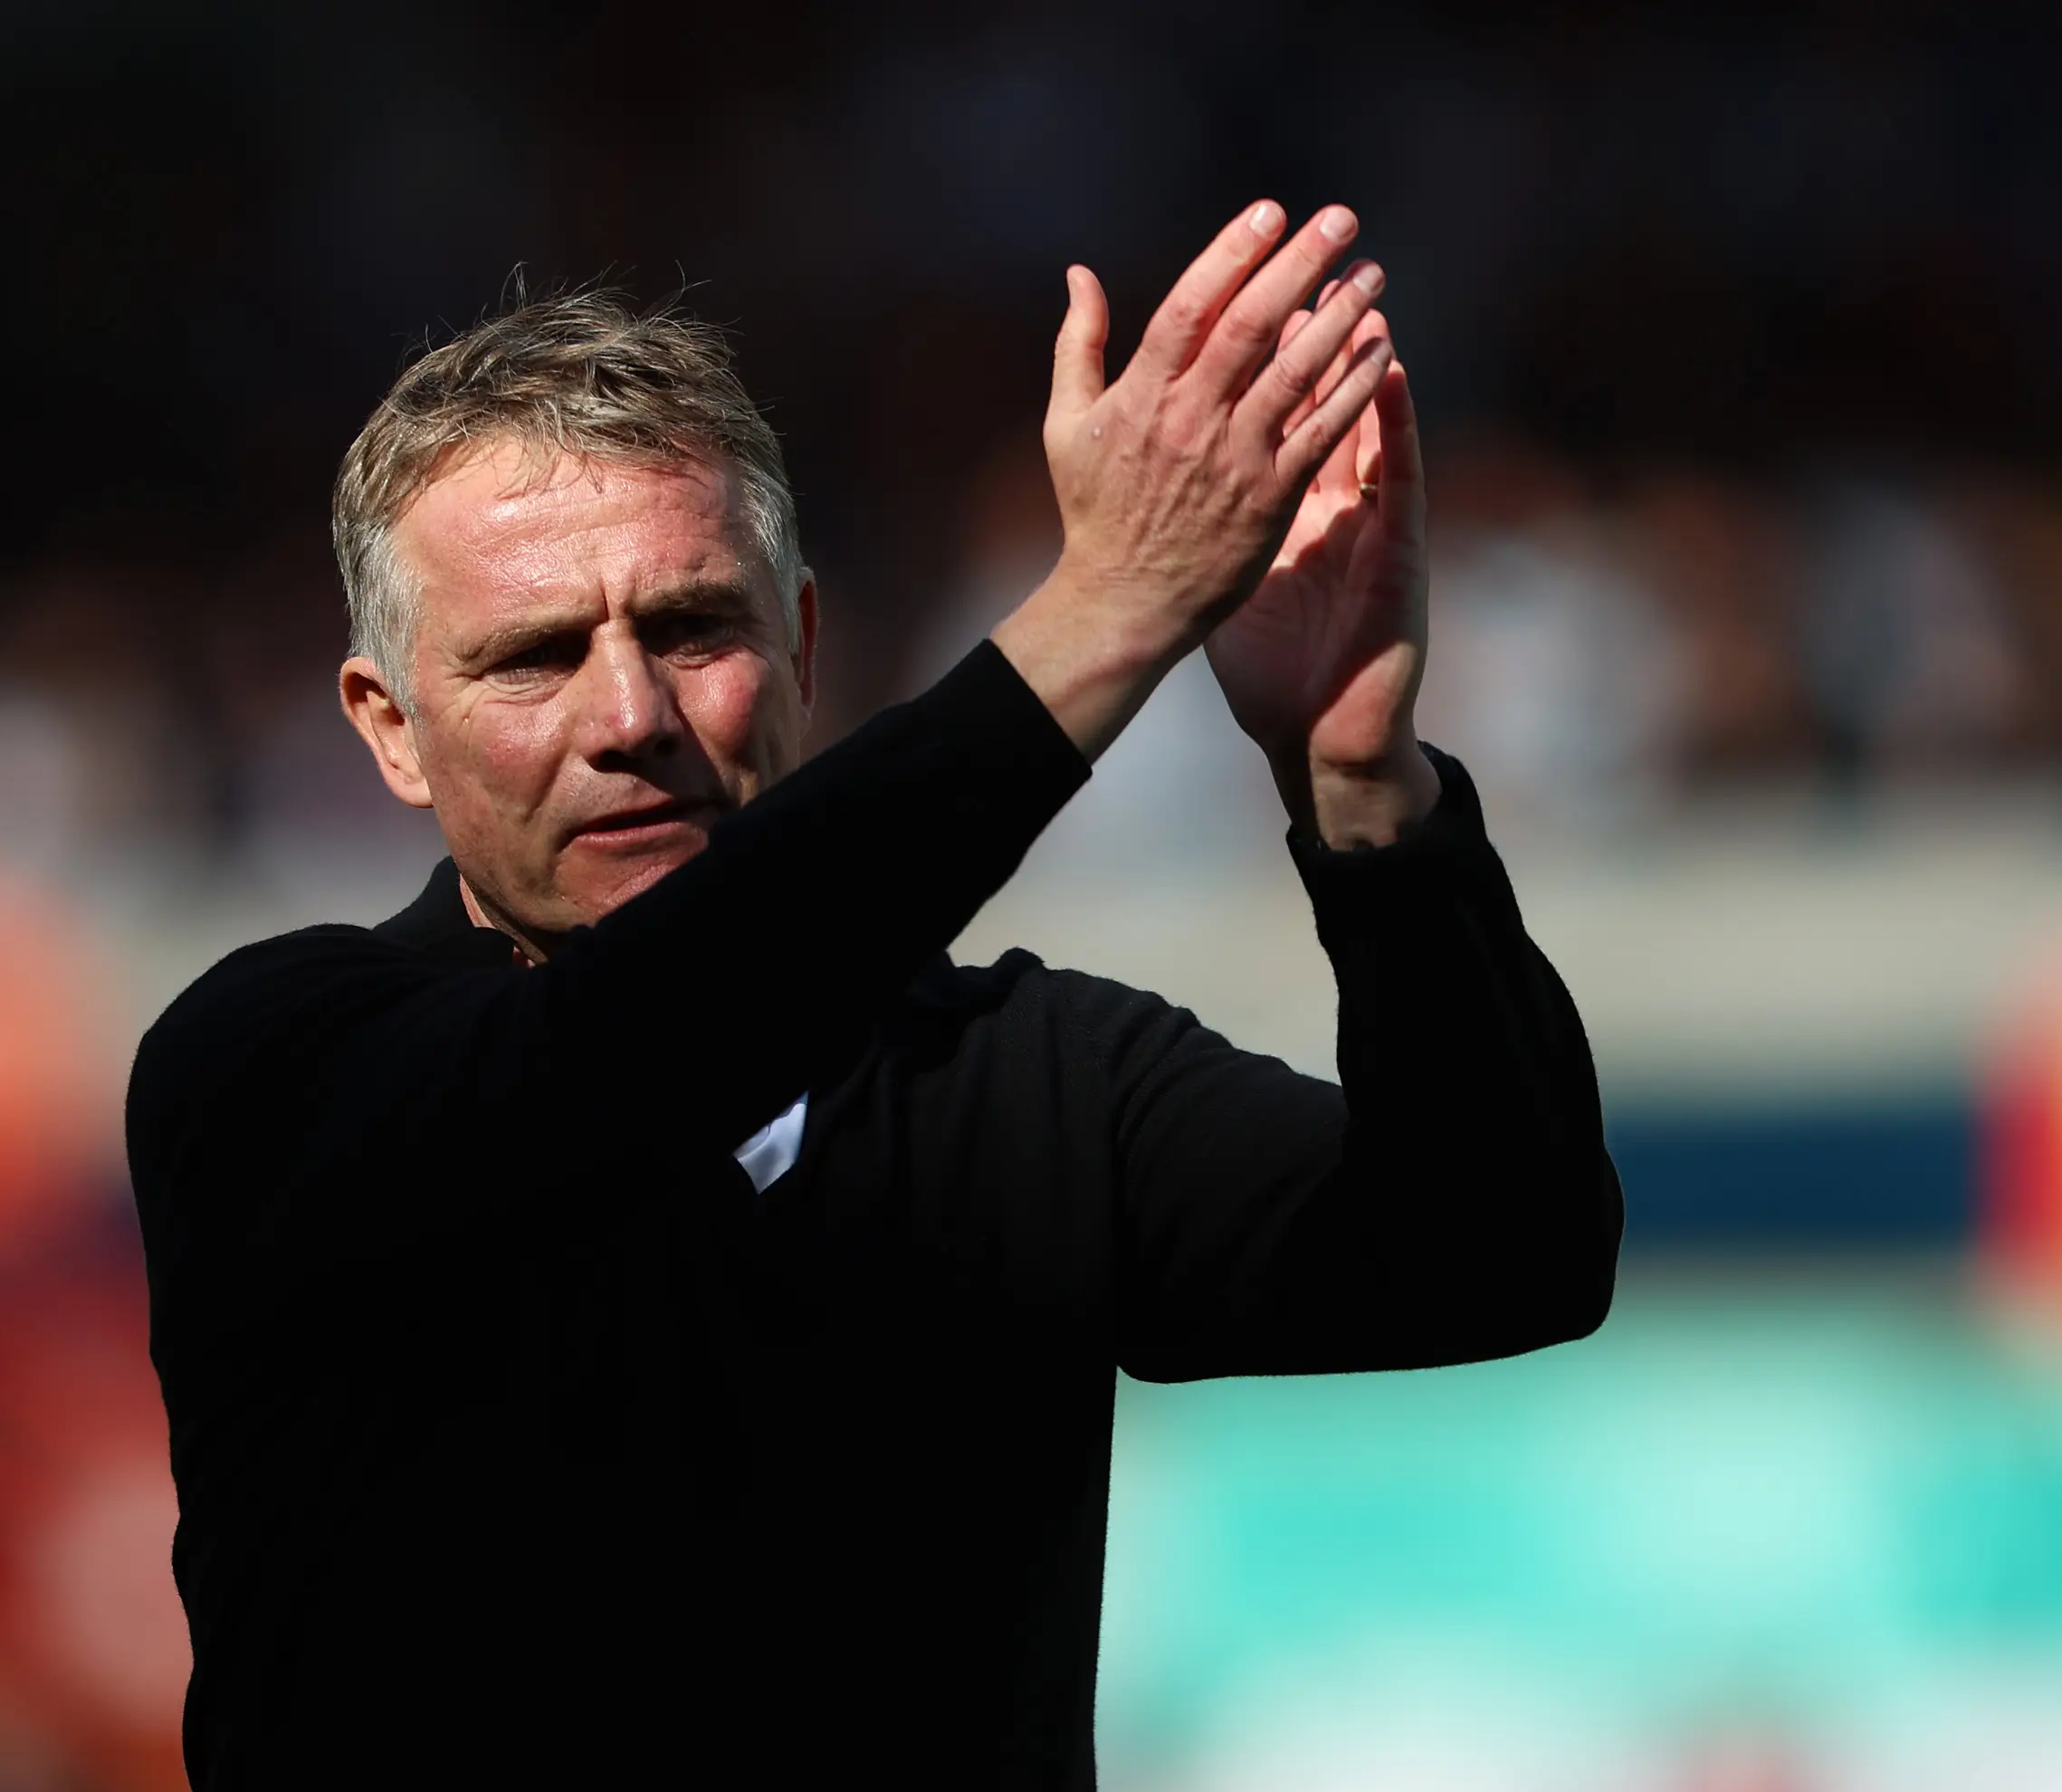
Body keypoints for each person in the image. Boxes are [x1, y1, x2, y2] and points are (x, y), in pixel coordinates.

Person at [126, 199, 1624, 1789]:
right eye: (536, 657)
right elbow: (634, 1051)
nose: (630, 715)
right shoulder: (271, 1069)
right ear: (390, 726)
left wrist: (1365, 791)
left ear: (804, 643)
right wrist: (1107, 611)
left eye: (694, 628)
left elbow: (1502, 1255)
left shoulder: (1031, 1073)